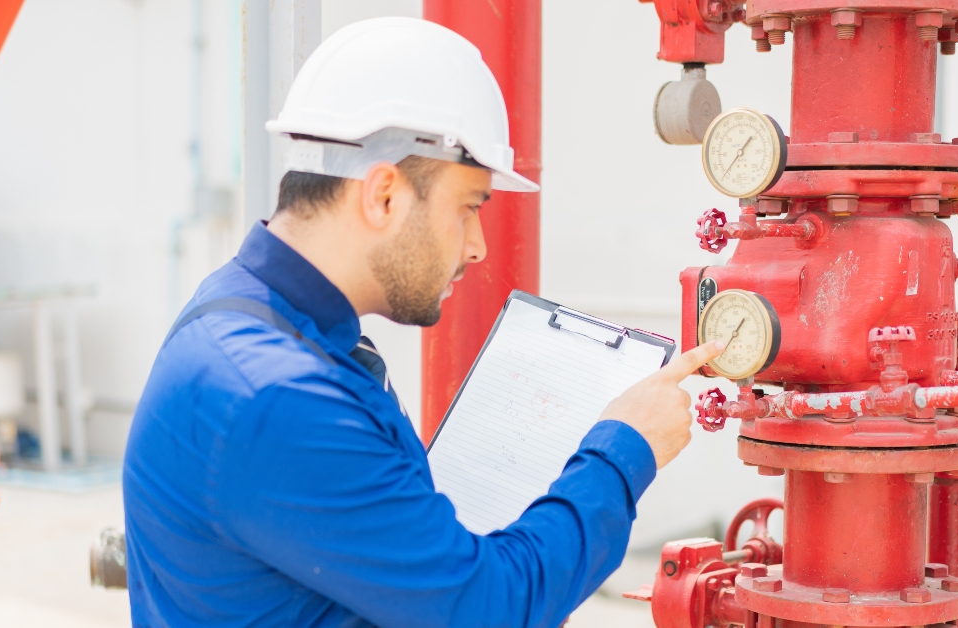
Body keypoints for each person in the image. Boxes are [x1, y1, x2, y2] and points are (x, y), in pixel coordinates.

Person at [123, 16, 723, 627]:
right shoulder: (278, 396)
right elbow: (488, 610)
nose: (477, 246)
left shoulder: (253, 313)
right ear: (384, 194)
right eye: (467, 208)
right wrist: (625, 446)